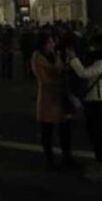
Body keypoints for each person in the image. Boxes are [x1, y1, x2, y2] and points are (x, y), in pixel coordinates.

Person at [68, 38, 102, 182]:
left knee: (97, 135)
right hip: (97, 103)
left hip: (96, 103)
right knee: (97, 135)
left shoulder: (100, 63)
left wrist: (73, 59)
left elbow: (83, 73)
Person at [32, 34, 75, 170]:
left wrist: (65, 62)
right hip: (48, 98)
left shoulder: (54, 55)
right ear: (43, 44)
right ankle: (49, 160)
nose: (53, 45)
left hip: (60, 97)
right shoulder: (37, 58)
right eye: (50, 42)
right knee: (47, 130)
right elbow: (44, 81)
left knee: (65, 129)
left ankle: (67, 157)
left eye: (52, 42)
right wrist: (59, 79)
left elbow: (62, 70)